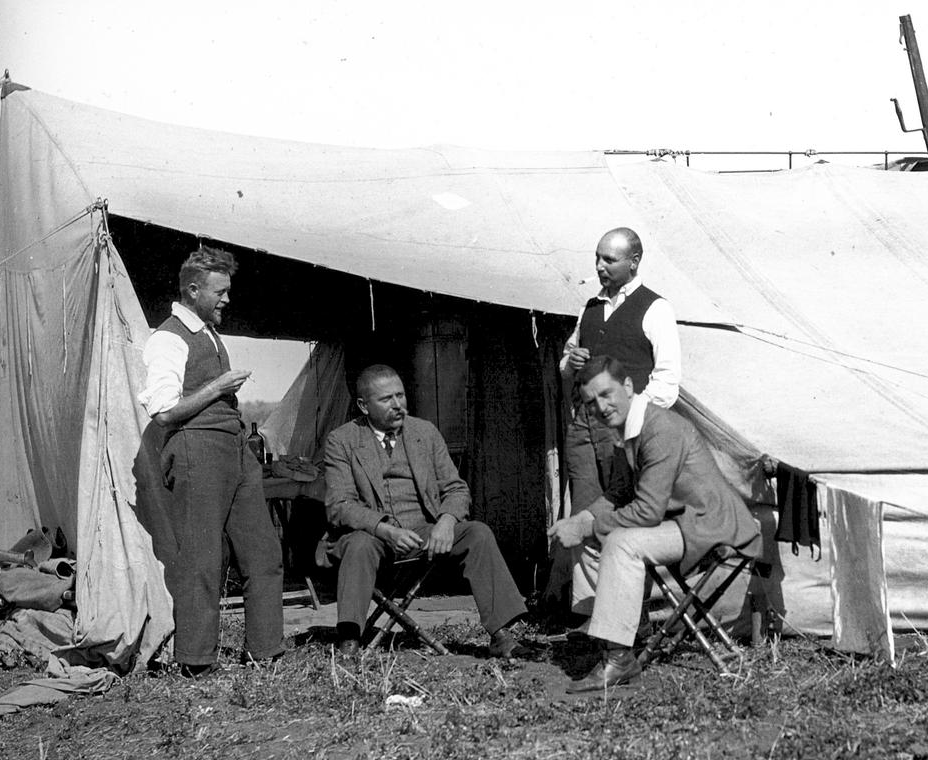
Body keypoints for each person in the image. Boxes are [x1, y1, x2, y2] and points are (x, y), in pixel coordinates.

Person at [548, 356, 761, 692]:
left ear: (629, 387)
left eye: (607, 394)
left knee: (621, 542)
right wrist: (581, 520)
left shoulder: (659, 427)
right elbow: (618, 493)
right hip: (681, 523)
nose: (601, 407)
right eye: (591, 402)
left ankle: (618, 660)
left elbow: (646, 511)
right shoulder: (626, 430)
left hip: (712, 525)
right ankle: (625, 630)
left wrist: (589, 527)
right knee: (597, 538)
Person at [140, 246, 284, 676]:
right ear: (194, 289)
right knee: (202, 558)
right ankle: (197, 661)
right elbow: (163, 412)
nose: (227, 299)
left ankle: (266, 651)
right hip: (196, 448)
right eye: (220, 292)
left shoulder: (208, 332)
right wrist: (220, 385)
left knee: (262, 551)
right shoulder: (167, 337)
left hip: (234, 448)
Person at [321, 364, 530, 658]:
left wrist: (446, 522)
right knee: (358, 545)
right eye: (386, 399)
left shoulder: (424, 432)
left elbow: (456, 489)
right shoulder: (342, 440)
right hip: (372, 535)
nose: (398, 405)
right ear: (363, 406)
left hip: (424, 531)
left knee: (477, 533)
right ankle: (350, 640)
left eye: (401, 396)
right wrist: (385, 529)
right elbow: (339, 505)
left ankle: (500, 634)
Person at [559, 228, 680, 512]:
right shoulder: (588, 307)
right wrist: (571, 362)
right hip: (584, 429)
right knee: (585, 515)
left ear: (634, 261)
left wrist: (634, 420)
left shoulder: (656, 308)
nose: (600, 266)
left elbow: (667, 381)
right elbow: (565, 365)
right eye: (597, 258)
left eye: (610, 260)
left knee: (625, 512)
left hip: (625, 430)